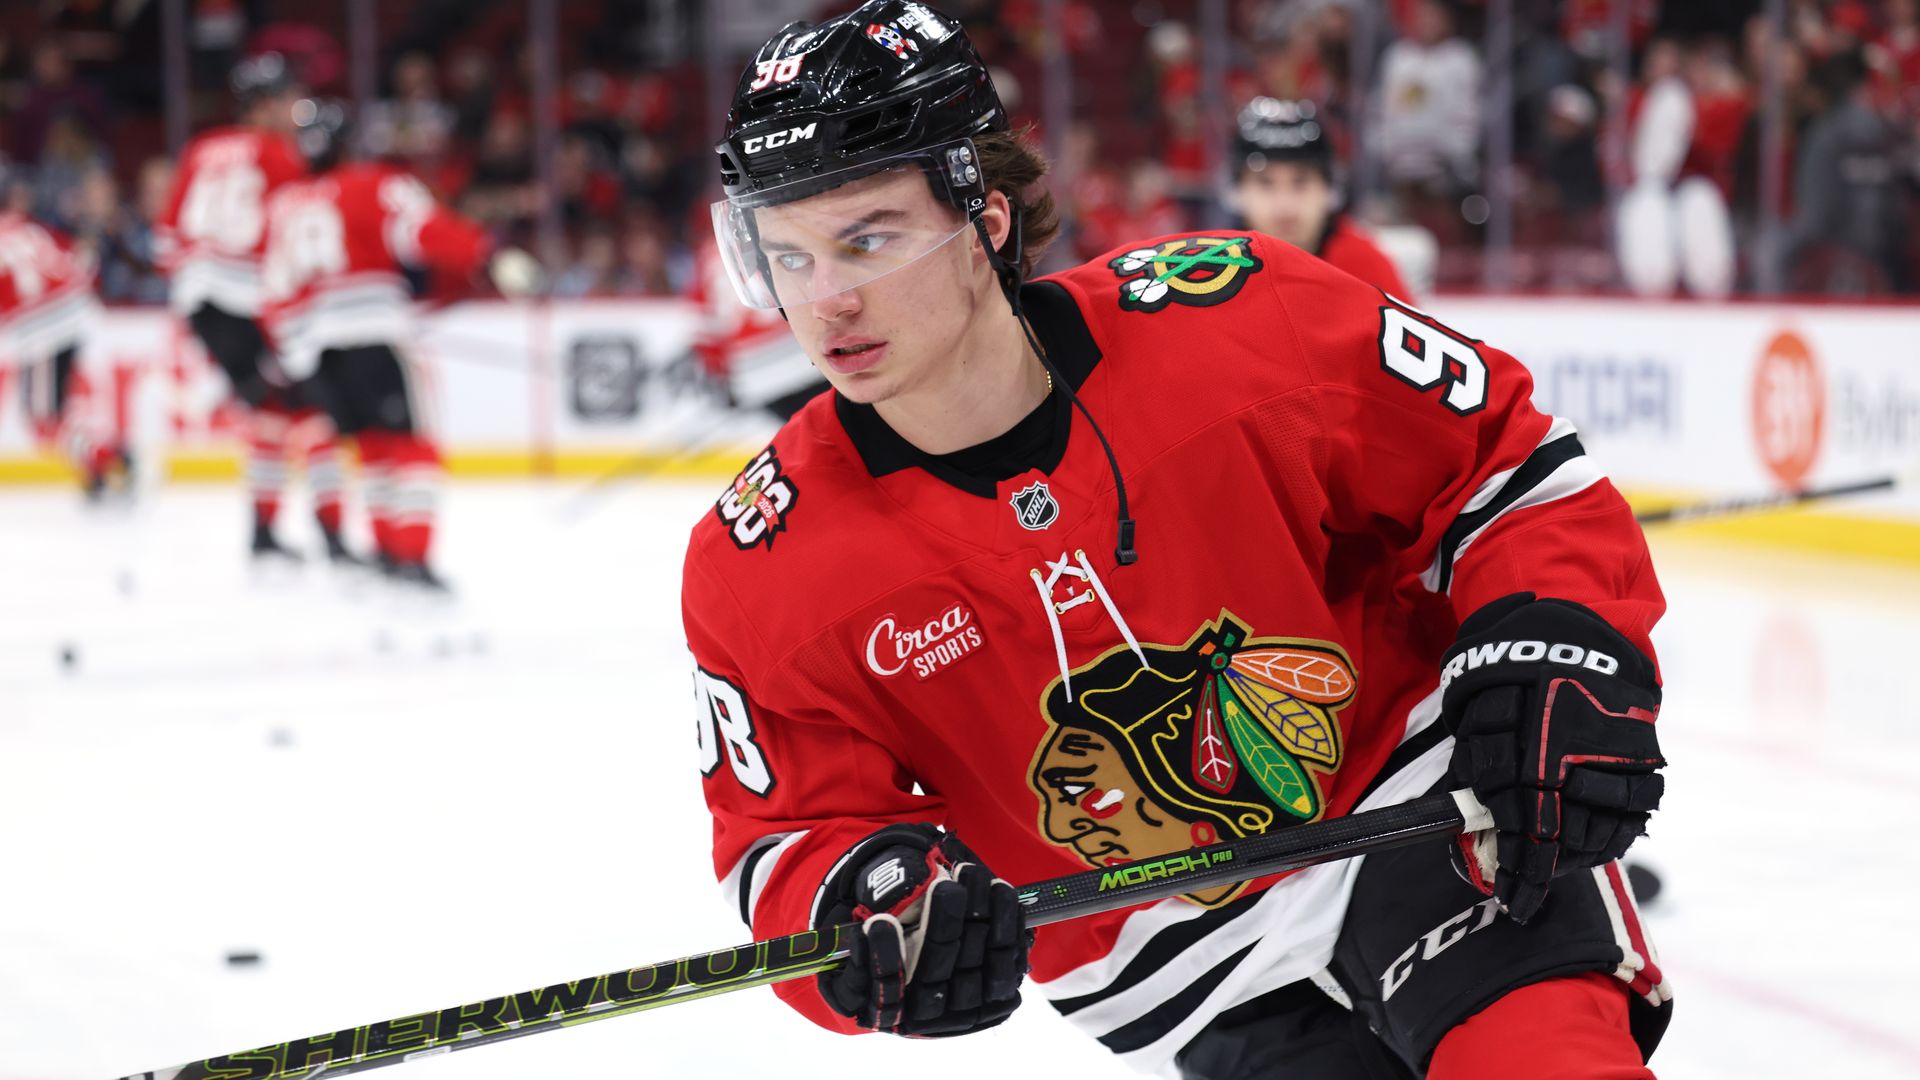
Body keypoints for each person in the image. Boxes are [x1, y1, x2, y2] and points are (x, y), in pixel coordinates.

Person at [684, 4, 1672, 1079]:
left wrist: (1555, 639)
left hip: (1421, 813)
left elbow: (1501, 465)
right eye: (786, 256)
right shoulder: (756, 566)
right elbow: (788, 835)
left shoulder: (1242, 319)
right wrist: (873, 900)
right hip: (1172, 973)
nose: (825, 300)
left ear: (987, 219)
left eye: (867, 239)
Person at [259, 100, 523, 592]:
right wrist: (486, 254)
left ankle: (385, 551)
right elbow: (424, 231)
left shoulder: (285, 205)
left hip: (318, 351)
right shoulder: (374, 183)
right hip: (377, 333)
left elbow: (273, 288)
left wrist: (292, 351)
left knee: (373, 448)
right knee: (413, 447)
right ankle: (412, 557)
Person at [157, 52, 353, 563]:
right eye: (290, 98)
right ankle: (332, 532)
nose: (297, 107)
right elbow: (294, 234)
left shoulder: (202, 148)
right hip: (249, 304)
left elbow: (166, 237)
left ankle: (264, 532)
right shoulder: (280, 154)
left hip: (203, 306)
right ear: (264, 105)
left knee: (271, 412)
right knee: (314, 411)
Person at [0, 203, 128, 495]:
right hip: (73, 309)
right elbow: (81, 259)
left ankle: (108, 460)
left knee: (43, 422)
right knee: (50, 415)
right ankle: (101, 459)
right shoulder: (24, 225)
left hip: (42, 325)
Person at [1229, 96, 1413, 297]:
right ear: (1237, 191)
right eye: (1265, 183)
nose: (1285, 205)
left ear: (1330, 189)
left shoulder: (1366, 268)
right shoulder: (1212, 266)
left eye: (1301, 182)